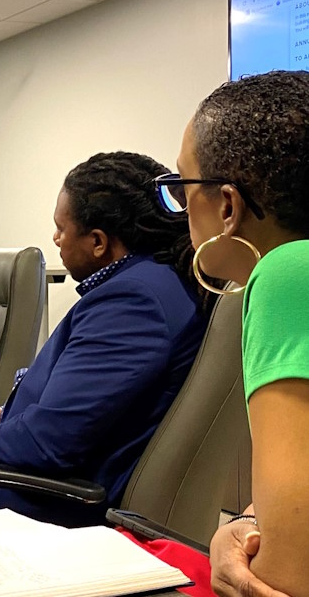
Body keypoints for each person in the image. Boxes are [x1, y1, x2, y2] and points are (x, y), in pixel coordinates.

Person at [0, 152, 209, 527]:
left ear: (98, 242)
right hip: (46, 483)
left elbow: (50, 444)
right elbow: (85, 412)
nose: (55, 238)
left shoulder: (132, 301)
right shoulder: (151, 285)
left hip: (54, 505)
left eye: (61, 227)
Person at [167, 71, 309, 597]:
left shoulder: (289, 273)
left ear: (228, 206)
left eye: (183, 191)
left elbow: (287, 579)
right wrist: (247, 523)